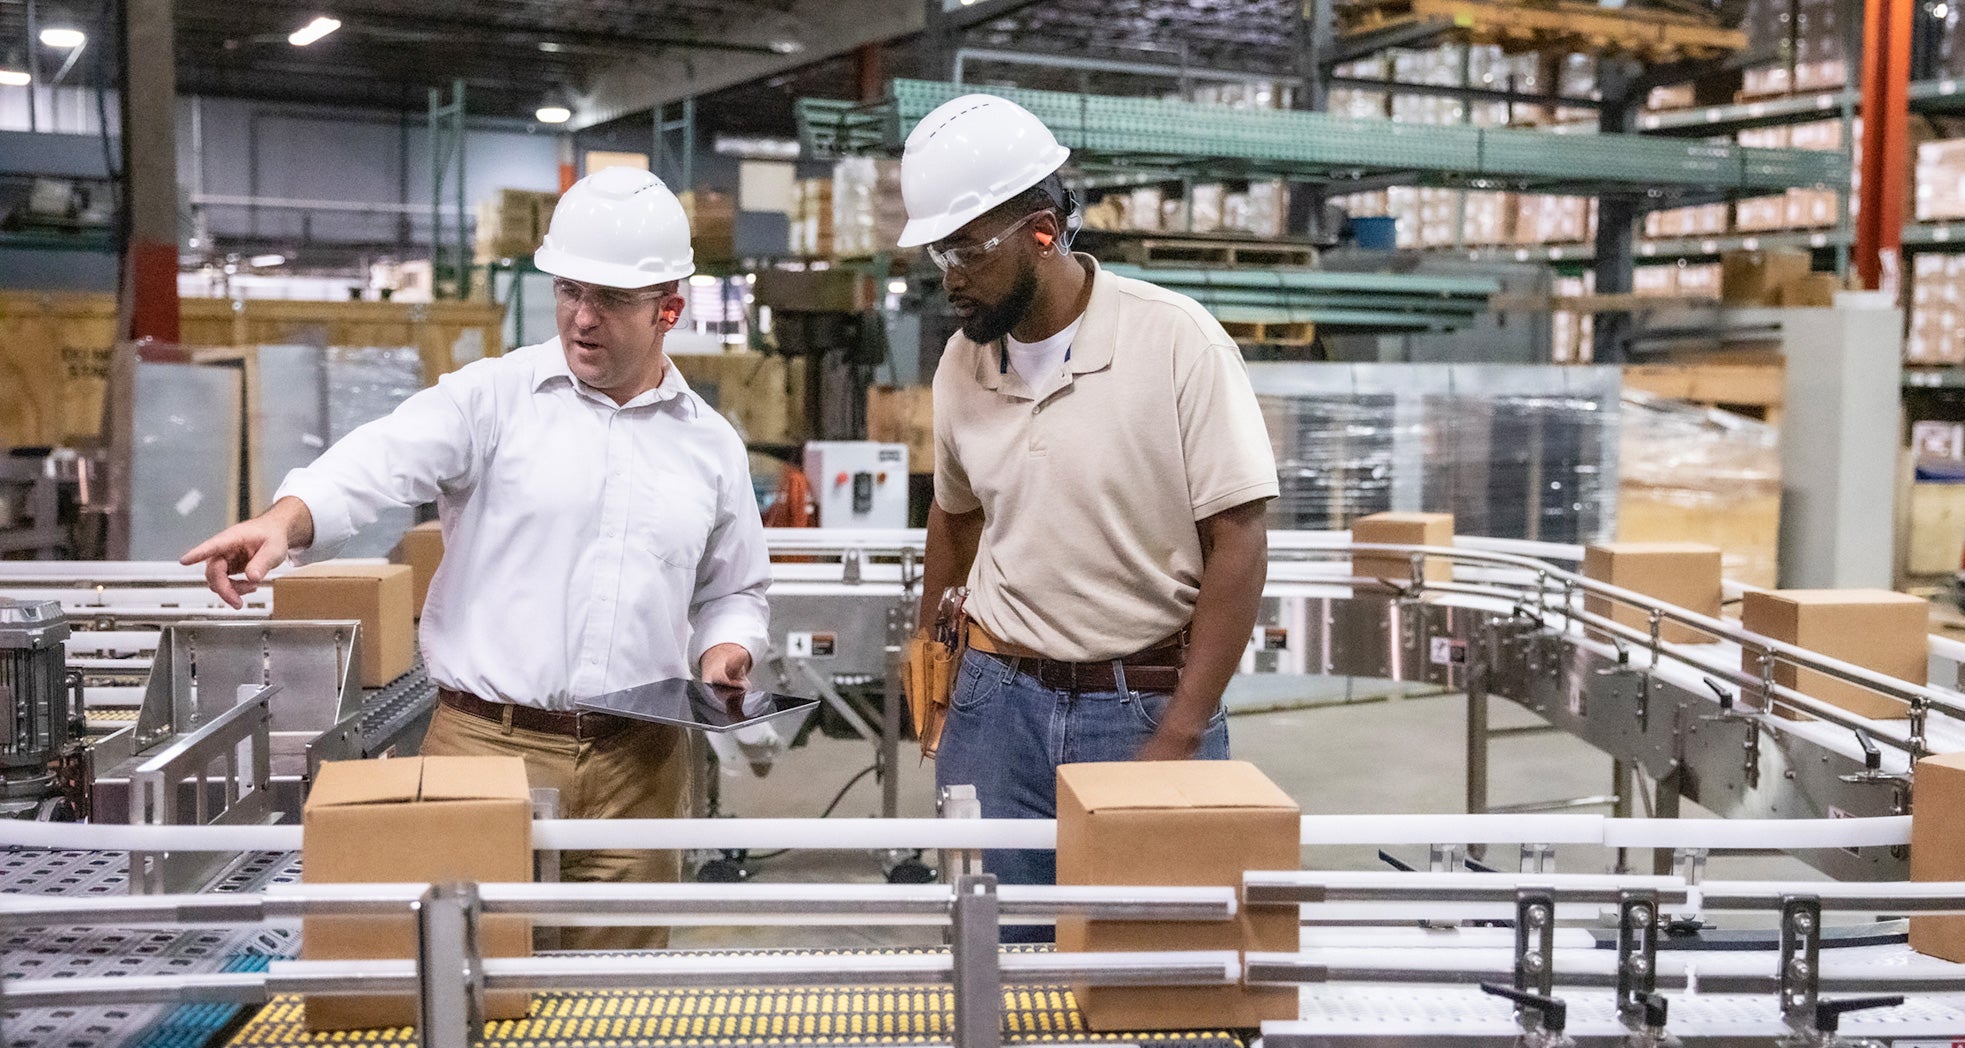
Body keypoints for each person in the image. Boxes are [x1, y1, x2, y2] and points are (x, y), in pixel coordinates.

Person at [181, 167, 772, 951]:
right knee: (472, 993)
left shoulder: (711, 447)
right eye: (568, 291)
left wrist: (727, 648)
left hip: (641, 766)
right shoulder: (493, 400)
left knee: (618, 1005)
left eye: (610, 300)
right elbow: (381, 460)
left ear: (669, 307)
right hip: (487, 749)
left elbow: (736, 590)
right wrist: (286, 521)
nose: (582, 319)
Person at [901, 95, 1280, 917]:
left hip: (1142, 703)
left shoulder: (1176, 341)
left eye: (966, 248)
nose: (950, 276)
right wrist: (933, 654)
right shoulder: (961, 366)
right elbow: (955, 517)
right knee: (994, 978)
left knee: (1161, 989)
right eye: (939, 251)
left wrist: (1181, 729)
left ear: (1043, 230)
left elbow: (1240, 541)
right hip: (995, 708)